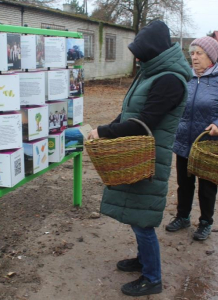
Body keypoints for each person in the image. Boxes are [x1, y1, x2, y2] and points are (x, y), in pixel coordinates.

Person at [87, 21, 192, 297]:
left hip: (149, 158)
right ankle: (143, 260)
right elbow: (127, 113)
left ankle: (152, 277)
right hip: (139, 154)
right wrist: (107, 129)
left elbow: (143, 121)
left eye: (140, 51)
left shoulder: (169, 80)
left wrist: (104, 132)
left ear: (154, 51)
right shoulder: (150, 73)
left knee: (143, 220)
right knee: (137, 214)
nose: (136, 57)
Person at [166, 36, 218, 241]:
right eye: (192, 53)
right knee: (184, 183)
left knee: (207, 187)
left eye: (199, 53)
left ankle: (205, 222)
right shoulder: (185, 77)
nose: (194, 58)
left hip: (207, 144)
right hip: (183, 141)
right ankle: (183, 216)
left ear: (211, 57)